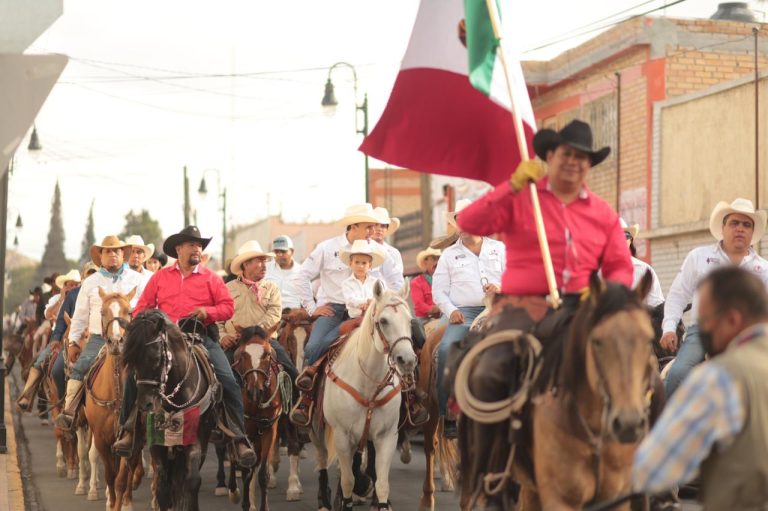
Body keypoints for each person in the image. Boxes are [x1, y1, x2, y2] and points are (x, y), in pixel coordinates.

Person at [113, 226, 256, 468]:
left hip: (200, 337)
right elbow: (141, 308)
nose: (197, 249)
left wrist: (206, 312)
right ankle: (127, 430)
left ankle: (238, 438)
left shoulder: (211, 278)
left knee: (228, 380)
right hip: (162, 339)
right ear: (178, 249)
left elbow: (227, 307)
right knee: (133, 376)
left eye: (199, 245)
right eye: (192, 244)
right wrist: (146, 322)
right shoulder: (160, 277)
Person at [633, 267, 768, 510]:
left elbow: (653, 470)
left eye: (704, 322)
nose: (702, 331)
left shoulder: (721, 377)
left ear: (732, 320)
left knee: (676, 375)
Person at [660, 198, 768, 397]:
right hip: (703, 332)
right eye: (734, 223)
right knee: (678, 374)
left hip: (749, 335)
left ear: (752, 232)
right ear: (723, 227)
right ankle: (666, 425)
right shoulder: (698, 257)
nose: (740, 229)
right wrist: (668, 328)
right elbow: (677, 295)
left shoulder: (764, 268)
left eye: (746, 225)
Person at [54, 236, 145, 430]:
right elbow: (79, 317)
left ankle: (154, 417)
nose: (113, 254)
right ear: (101, 257)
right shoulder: (90, 282)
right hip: (98, 339)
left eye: (117, 251)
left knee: (150, 373)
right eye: (107, 251)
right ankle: (69, 411)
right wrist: (73, 343)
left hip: (131, 340)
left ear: (123, 255)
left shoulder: (138, 280)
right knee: (79, 370)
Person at [433, 198, 505, 437]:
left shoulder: (499, 249)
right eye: (459, 221)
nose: (462, 225)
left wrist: (501, 288)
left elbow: (515, 278)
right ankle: (447, 413)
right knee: (445, 350)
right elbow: (439, 291)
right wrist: (451, 310)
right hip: (464, 312)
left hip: (499, 308)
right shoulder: (448, 255)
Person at [219, 240, 298, 382]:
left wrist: (255, 333)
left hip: (265, 340)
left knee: (291, 370)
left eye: (265, 261)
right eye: (260, 261)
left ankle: (299, 401)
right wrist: (223, 336)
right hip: (235, 342)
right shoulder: (227, 288)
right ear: (246, 264)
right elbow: (218, 318)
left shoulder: (272, 288)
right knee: (220, 375)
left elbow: (274, 313)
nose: (264, 265)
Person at [16, 268, 82, 411]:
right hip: (56, 336)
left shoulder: (82, 297)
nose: (73, 287)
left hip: (77, 337)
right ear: (64, 286)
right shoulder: (54, 298)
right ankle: (26, 395)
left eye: (76, 284)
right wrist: (62, 300)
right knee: (40, 359)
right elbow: (48, 314)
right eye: (70, 284)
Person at [621, 218, 664, 307]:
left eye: (626, 235)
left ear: (631, 240)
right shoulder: (596, 272)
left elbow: (657, 306)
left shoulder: (644, 270)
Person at [340, 239, 386, 321]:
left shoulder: (376, 282)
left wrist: (371, 304)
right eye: (357, 262)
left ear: (370, 265)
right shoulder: (346, 283)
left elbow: (382, 298)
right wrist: (368, 301)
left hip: (374, 318)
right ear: (351, 263)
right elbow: (350, 300)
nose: (360, 266)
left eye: (364, 263)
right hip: (354, 319)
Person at [265, 235, 303, 311]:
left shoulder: (302, 271)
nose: (279, 254)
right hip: (269, 315)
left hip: (294, 316)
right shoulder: (265, 269)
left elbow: (307, 299)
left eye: (283, 251)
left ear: (292, 252)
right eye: (276, 251)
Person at [371, 206, 405, 289]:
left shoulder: (394, 253)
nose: (379, 229)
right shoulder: (363, 249)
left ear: (387, 229)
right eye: (376, 225)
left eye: (383, 226)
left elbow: (397, 279)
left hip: (388, 297)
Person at [411, 247, 442, 331]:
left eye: (439, 259)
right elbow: (419, 304)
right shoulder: (416, 282)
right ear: (425, 261)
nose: (437, 262)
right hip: (425, 320)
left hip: (445, 316)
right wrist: (435, 309)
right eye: (434, 259)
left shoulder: (445, 279)